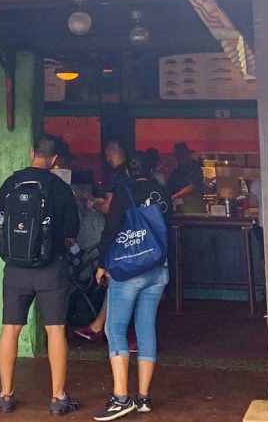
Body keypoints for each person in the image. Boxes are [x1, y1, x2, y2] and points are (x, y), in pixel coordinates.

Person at [0, 134, 81, 416]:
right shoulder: (59, 187)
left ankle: (6, 395)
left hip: (15, 270)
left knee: (10, 328)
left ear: (32, 152)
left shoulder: (10, 183)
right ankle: (58, 398)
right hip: (51, 270)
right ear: (55, 159)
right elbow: (72, 229)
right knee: (55, 330)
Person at [92, 153, 171, 420]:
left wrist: (102, 262)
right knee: (146, 328)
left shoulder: (124, 191)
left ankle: (121, 397)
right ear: (153, 169)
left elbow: (111, 228)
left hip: (128, 269)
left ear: (127, 172)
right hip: (157, 269)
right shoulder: (162, 192)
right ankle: (144, 397)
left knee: (115, 328)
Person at [74, 139, 131, 343]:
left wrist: (92, 204)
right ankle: (101, 325)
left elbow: (108, 208)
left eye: (108, 155)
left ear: (113, 152)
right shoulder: (132, 174)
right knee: (120, 282)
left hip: (119, 234)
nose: (107, 160)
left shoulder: (116, 176)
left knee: (115, 281)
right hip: (135, 236)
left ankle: (106, 328)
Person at [166, 141, 205, 214]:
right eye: (177, 155)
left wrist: (174, 196)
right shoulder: (175, 173)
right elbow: (169, 188)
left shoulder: (195, 167)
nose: (179, 157)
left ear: (187, 155)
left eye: (181, 155)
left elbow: (192, 187)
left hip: (195, 209)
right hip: (180, 210)